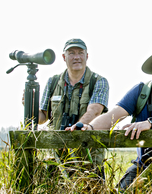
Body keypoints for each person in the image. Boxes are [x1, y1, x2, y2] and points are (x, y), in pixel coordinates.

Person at [68, 40, 152, 194]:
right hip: (143, 166)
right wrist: (89, 127)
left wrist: (150, 123)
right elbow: (114, 115)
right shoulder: (140, 92)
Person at [22, 38, 109, 174]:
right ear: (64, 57)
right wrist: (30, 105)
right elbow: (42, 118)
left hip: (88, 157)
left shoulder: (99, 81)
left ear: (87, 56)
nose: (76, 57)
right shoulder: (53, 82)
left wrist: (75, 129)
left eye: (80, 53)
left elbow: (94, 112)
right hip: (56, 157)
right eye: (71, 53)